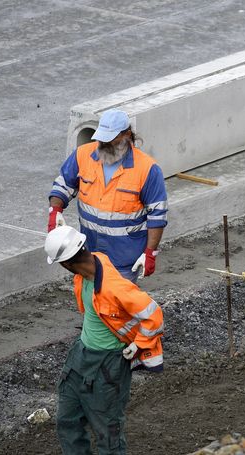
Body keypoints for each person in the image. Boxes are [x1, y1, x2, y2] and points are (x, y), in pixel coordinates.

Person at [44, 225, 164, 454]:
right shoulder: (93, 264)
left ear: (66, 264)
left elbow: (154, 315)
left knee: (107, 431)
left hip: (108, 364)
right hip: (81, 355)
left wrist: (139, 344)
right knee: (67, 420)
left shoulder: (114, 287)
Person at [48, 108, 168, 282]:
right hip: (88, 255)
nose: (103, 144)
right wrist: (55, 210)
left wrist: (150, 253)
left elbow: (157, 215)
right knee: (90, 305)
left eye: (110, 140)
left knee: (116, 308)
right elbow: (62, 185)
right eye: (101, 139)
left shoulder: (147, 169)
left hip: (123, 261)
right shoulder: (83, 155)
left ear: (127, 135)